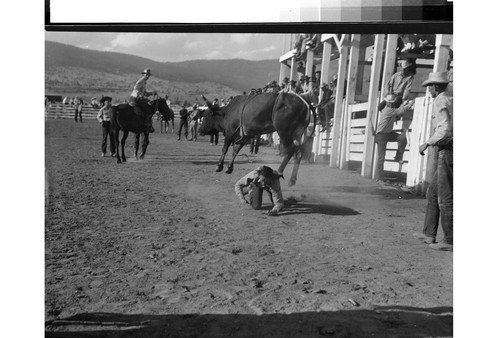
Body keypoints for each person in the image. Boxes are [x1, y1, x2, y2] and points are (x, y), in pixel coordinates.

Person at [416, 72, 453, 251]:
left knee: (444, 197)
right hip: (450, 148)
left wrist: (427, 143)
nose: (429, 89)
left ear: (435, 86)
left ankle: (450, 239)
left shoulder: (440, 101)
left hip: (448, 149)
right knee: (433, 193)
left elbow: (444, 129)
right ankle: (429, 233)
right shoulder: (450, 99)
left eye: (430, 86)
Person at [374, 94, 412, 183]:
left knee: (402, 138)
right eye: (390, 102)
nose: (391, 104)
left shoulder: (387, 109)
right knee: (381, 157)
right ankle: (379, 178)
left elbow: (398, 110)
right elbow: (400, 111)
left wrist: (404, 104)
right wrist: (409, 104)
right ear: (388, 103)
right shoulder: (388, 110)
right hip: (381, 135)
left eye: (392, 102)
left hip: (387, 133)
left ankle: (398, 157)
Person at [129, 68, 156, 133]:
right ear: (143, 74)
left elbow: (145, 94)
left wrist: (152, 93)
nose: (147, 76)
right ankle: (146, 126)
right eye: (146, 75)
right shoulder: (141, 80)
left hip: (137, 98)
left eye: (148, 75)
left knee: (147, 104)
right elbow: (135, 88)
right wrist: (140, 94)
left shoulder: (144, 82)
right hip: (135, 99)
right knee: (148, 110)